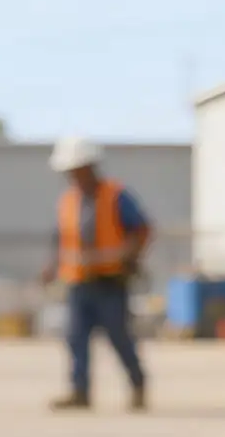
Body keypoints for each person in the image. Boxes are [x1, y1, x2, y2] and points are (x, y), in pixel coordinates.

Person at [38, 135, 153, 412]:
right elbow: (61, 239)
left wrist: (129, 256)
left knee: (118, 336)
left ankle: (137, 384)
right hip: (78, 281)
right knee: (75, 336)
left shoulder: (116, 196)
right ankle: (80, 392)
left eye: (75, 170)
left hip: (110, 281)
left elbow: (141, 229)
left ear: (89, 166)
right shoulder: (68, 201)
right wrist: (51, 267)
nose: (71, 177)